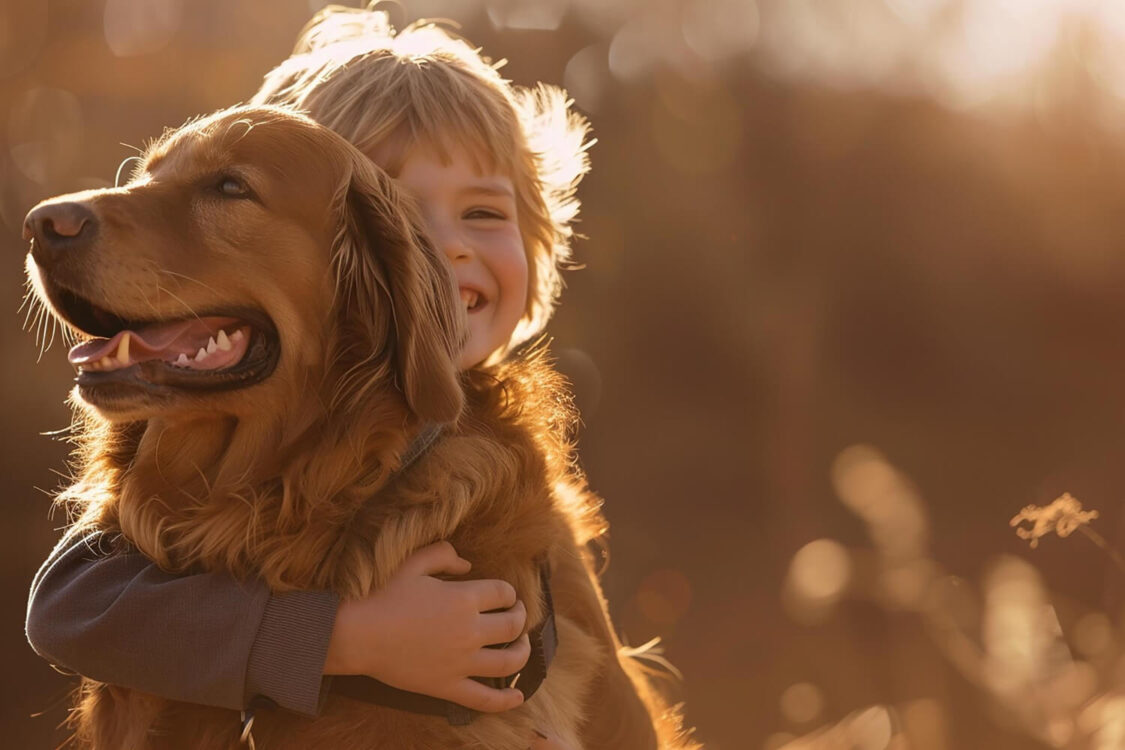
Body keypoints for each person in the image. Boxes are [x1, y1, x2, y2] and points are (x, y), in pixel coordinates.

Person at [26, 6, 591, 748]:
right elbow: (70, 607)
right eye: (404, 208)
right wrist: (343, 638)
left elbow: (617, 714)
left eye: (483, 211)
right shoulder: (164, 463)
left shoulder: (508, 494)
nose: (442, 249)